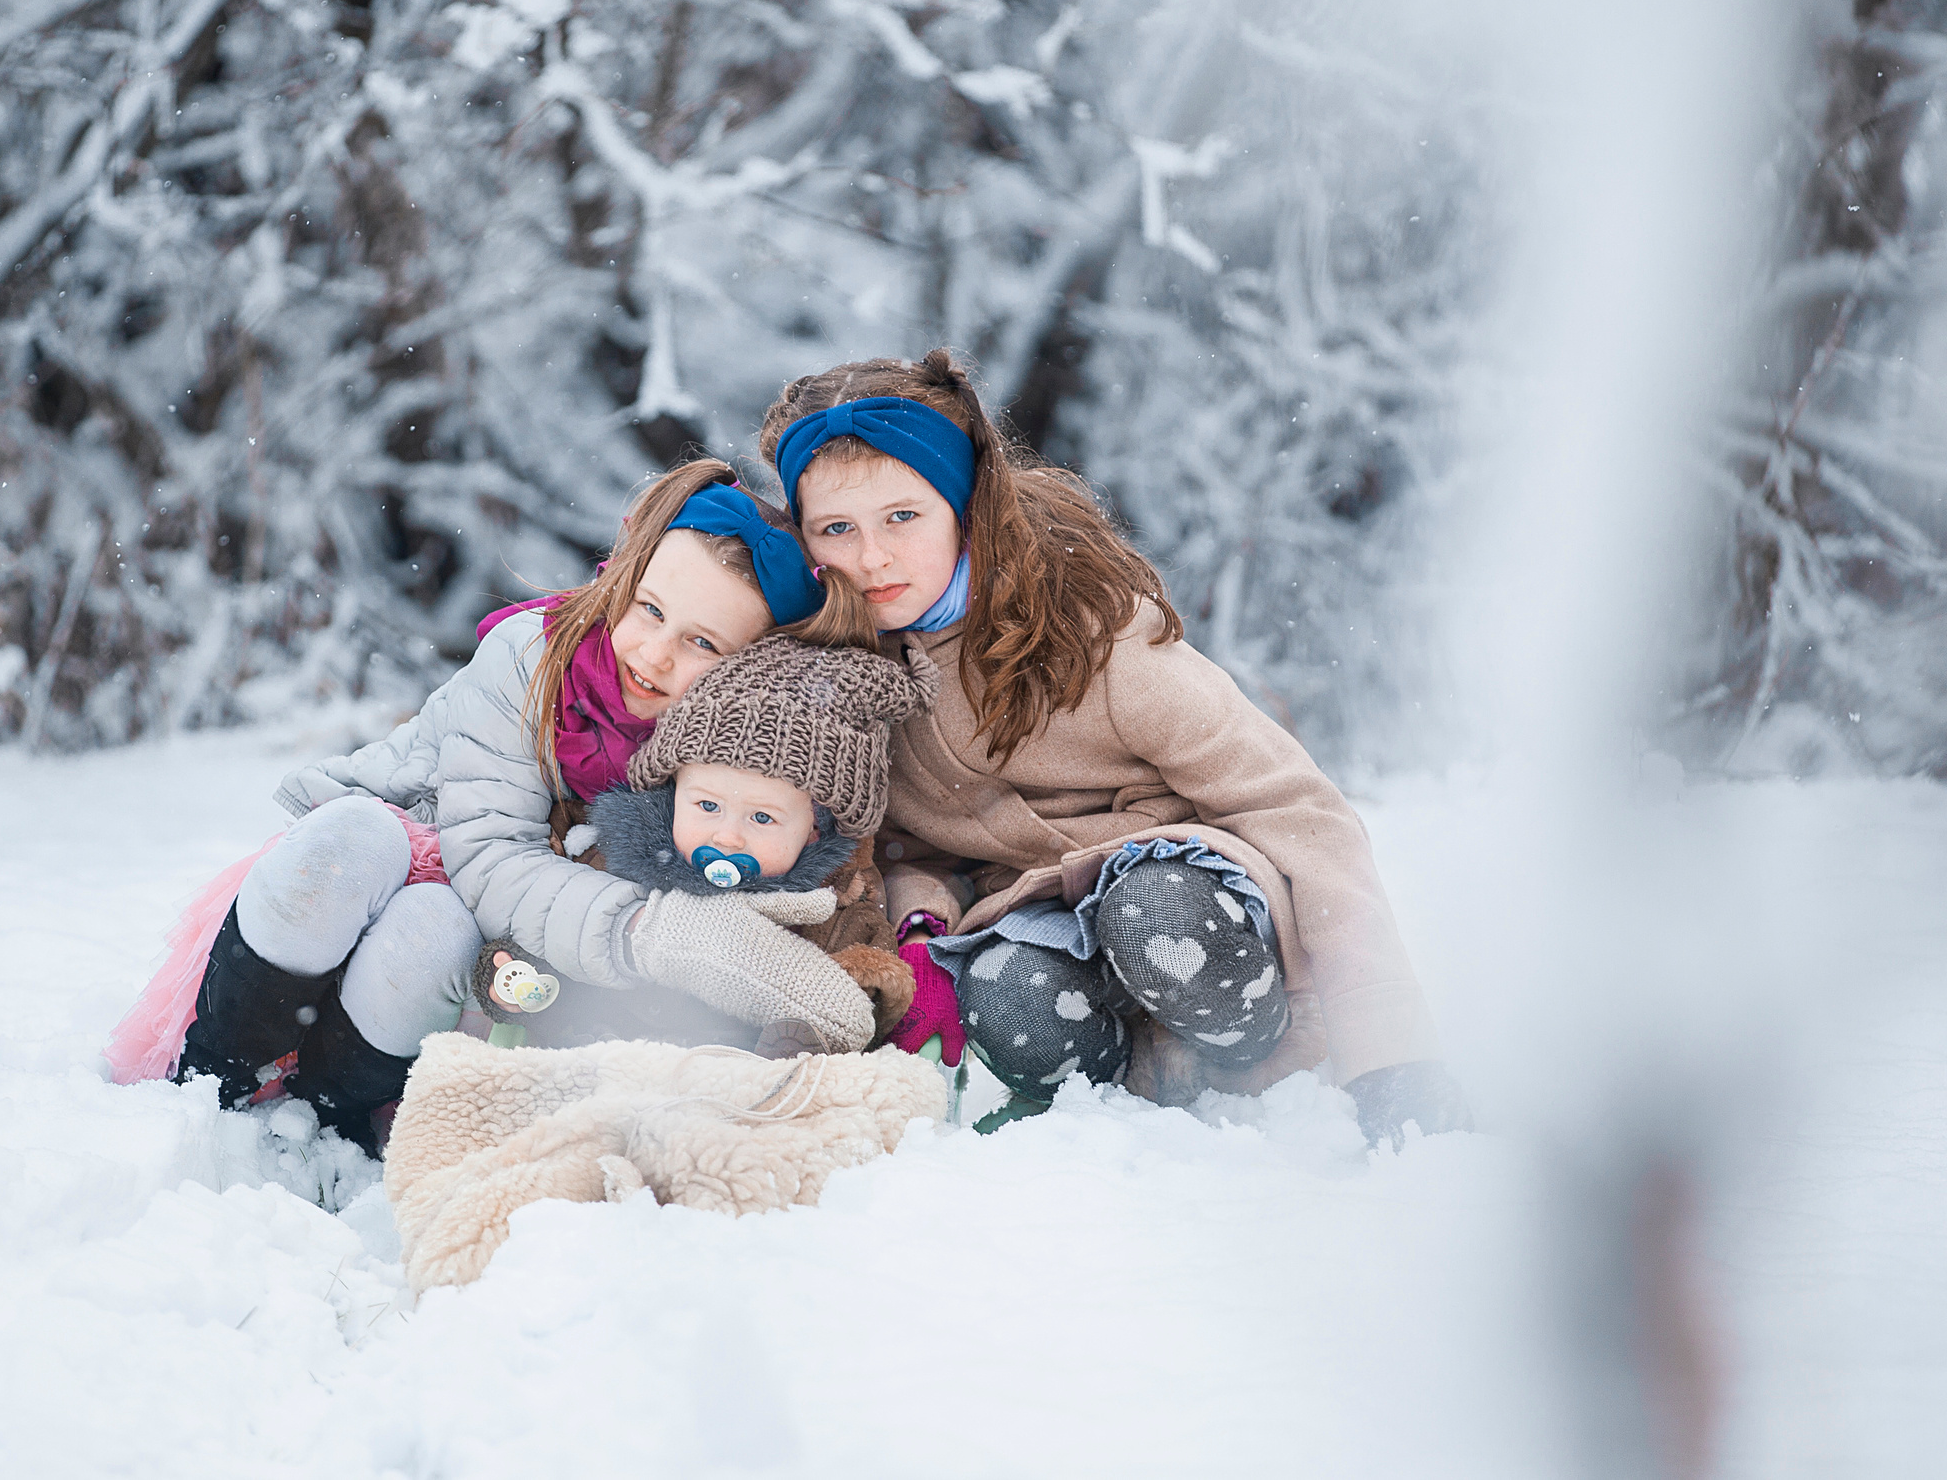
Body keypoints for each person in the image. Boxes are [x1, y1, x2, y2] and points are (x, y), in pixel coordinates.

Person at [759, 351, 1468, 1145]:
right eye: (837, 529)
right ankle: (1129, 1103)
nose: (872, 557)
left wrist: (1390, 1047)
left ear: (964, 506)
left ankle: (1254, 1056)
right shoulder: (847, 680)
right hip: (1034, 920)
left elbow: (1300, 811)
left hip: (1192, 890)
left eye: (903, 517)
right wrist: (920, 924)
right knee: (1007, 992)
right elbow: (901, 846)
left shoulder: (1090, 633)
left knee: (1155, 915)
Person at [102, 461, 860, 1150]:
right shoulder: (533, 656)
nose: (656, 654)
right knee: (354, 839)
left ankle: (328, 1121)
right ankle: (211, 1082)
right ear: (623, 578)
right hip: (392, 869)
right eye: (650, 609)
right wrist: (648, 931)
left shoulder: (733, 757)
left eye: (704, 644)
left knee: (437, 930)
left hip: (487, 953)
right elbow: (488, 853)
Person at [471, 632, 932, 1057]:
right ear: (673, 793)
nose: (727, 836)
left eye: (762, 817)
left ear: (814, 830)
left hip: (734, 1079)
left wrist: (830, 1013)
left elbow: (868, 988)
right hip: (595, 1055)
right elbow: (563, 926)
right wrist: (518, 973)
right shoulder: (614, 855)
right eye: (708, 806)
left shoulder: (833, 903)